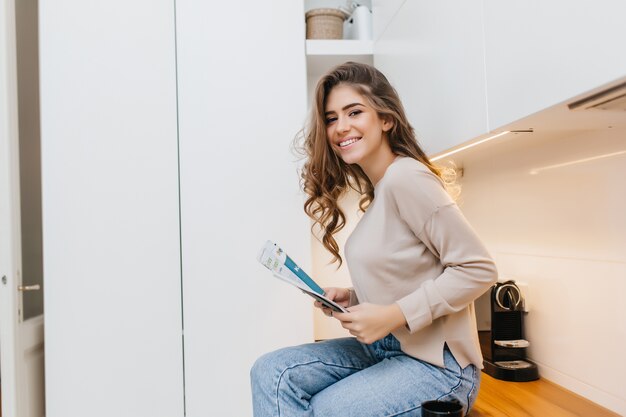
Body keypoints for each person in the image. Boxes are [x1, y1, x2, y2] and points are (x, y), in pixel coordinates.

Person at [250, 62, 498, 417]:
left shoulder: (406, 178)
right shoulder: (381, 189)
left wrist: (393, 314)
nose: (341, 127)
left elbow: (478, 268)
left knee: (327, 410)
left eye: (354, 112)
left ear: (386, 119)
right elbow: (411, 274)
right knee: (271, 373)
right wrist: (352, 298)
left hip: (440, 368)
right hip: (387, 348)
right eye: (332, 118)